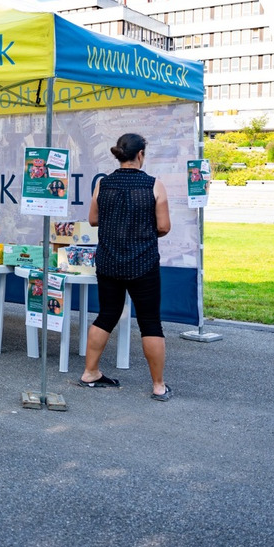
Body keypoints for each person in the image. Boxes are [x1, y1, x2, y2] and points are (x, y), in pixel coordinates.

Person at [80, 133, 172, 401]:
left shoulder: (103, 185)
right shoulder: (154, 185)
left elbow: (93, 220)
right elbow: (164, 227)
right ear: (140, 154)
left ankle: (90, 372)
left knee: (106, 315)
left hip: (108, 261)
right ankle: (158, 386)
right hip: (143, 263)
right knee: (150, 322)